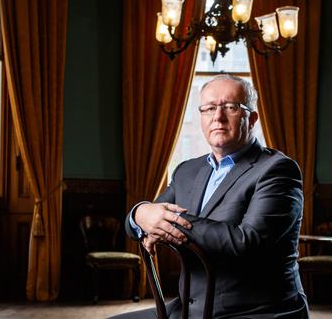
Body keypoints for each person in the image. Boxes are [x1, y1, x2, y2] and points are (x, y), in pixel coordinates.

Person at [111, 75, 307, 318]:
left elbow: (248, 242)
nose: (218, 116)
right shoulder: (187, 171)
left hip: (256, 312)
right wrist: (139, 212)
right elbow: (144, 221)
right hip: (189, 309)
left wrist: (165, 222)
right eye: (210, 108)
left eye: (231, 107)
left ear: (252, 118)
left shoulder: (278, 170)